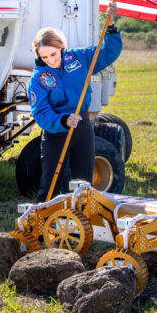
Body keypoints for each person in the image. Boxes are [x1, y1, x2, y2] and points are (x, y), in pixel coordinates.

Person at [28, 20, 123, 200]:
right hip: (56, 133)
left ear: (62, 48)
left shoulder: (79, 58)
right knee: (50, 185)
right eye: (44, 57)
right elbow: (41, 112)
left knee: (83, 183)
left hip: (82, 127)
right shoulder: (38, 78)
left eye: (53, 54)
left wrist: (111, 30)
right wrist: (63, 120)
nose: (50, 60)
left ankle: (81, 223)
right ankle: (45, 223)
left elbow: (107, 53)